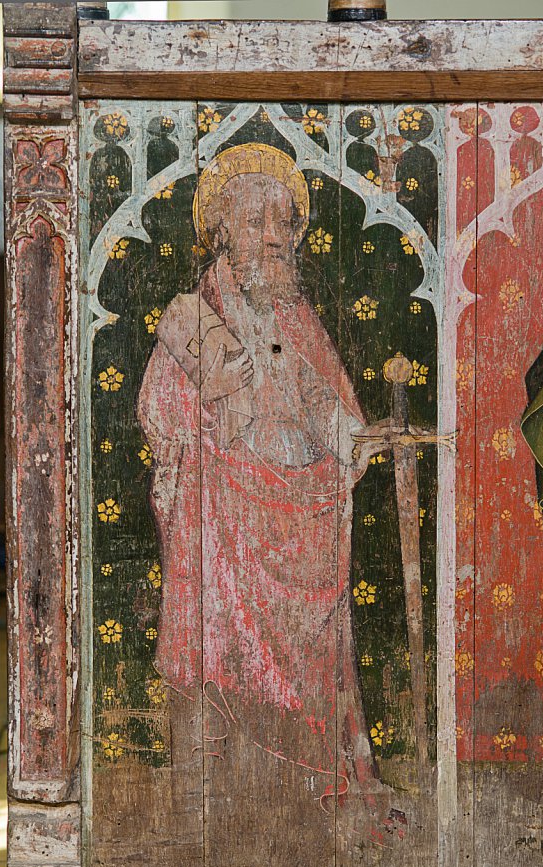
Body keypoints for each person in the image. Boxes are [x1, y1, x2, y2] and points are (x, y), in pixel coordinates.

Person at [138, 143, 384, 809]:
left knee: (311, 664)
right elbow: (160, 411)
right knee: (219, 655)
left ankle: (308, 792)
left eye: (284, 224)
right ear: (219, 229)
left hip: (304, 516)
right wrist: (209, 430)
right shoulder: (191, 314)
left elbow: (330, 406)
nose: (273, 239)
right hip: (223, 518)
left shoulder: (297, 316)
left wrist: (355, 437)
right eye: (255, 223)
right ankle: (223, 801)